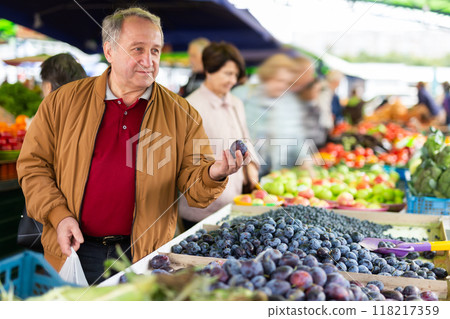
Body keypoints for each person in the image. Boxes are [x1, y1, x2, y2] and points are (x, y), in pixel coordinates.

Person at [17, 7, 248, 285]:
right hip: (75, 248)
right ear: (109, 51)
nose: (148, 60)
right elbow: (33, 166)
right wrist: (59, 214)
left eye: (155, 50)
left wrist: (215, 173)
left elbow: (194, 189)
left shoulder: (182, 114)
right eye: (137, 49)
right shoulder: (62, 102)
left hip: (145, 254)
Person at [178, 42, 260, 230]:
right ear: (209, 70)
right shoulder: (190, 107)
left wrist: (252, 168)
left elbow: (244, 138)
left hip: (234, 201)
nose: (232, 80)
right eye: (227, 73)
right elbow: (186, 161)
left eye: (235, 75)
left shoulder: (236, 103)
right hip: (200, 209)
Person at [17, 53, 87, 253]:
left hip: (57, 225)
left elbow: (33, 168)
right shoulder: (97, 113)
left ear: (48, 87)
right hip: (90, 230)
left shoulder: (45, 118)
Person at [233, 54, 305, 175]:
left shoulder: (289, 103)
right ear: (267, 77)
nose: (282, 86)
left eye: (287, 82)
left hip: (275, 173)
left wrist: (305, 159)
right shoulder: (243, 95)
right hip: (242, 171)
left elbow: (298, 135)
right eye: (279, 80)